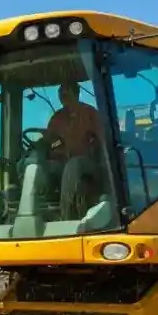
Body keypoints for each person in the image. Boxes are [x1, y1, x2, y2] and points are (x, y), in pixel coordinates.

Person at [43, 81, 104, 219]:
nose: (62, 96)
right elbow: (51, 142)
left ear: (76, 93)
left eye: (66, 92)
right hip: (62, 162)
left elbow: (102, 140)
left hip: (89, 164)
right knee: (36, 165)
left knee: (73, 165)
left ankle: (67, 217)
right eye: (60, 93)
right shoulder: (56, 119)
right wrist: (52, 147)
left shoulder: (90, 114)